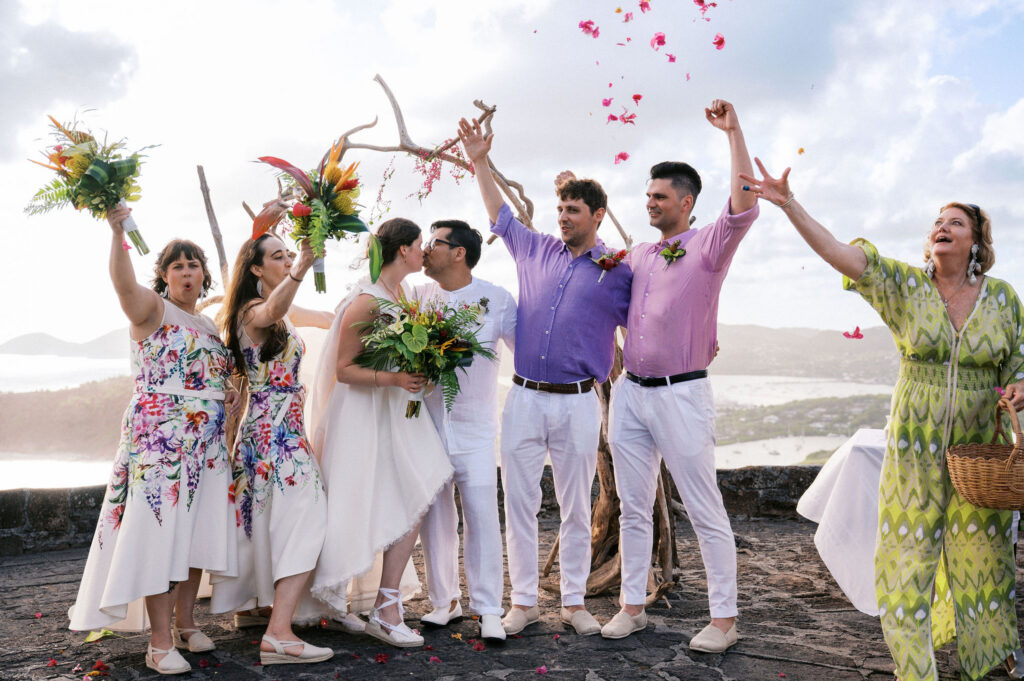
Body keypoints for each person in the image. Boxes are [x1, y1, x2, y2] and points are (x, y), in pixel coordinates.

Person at [739, 158, 1024, 681]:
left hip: (979, 449)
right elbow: (840, 255)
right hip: (913, 450)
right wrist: (788, 204)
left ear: (978, 241)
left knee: (983, 564)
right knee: (905, 565)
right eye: (938, 221)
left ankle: (988, 662)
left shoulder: (1003, 298)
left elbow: (1019, 361)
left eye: (956, 222)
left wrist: (1020, 386)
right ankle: (917, 674)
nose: (942, 227)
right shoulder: (906, 286)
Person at [458, 117, 631, 636]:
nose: (562, 217)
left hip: (579, 400)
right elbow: (497, 212)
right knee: (521, 503)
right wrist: (479, 160)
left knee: (578, 507)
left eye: (573, 211)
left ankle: (574, 603)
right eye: (560, 209)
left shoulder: (618, 268)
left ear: (597, 216)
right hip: (525, 398)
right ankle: (525, 601)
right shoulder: (534, 248)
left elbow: (645, 321)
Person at [598, 100, 759, 651]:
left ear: (686, 202)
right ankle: (632, 606)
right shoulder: (640, 253)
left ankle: (724, 621)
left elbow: (743, 203)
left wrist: (733, 131)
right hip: (631, 395)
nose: (649, 202)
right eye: (647, 196)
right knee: (633, 504)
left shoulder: (709, 246)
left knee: (703, 505)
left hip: (682, 394)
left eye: (659, 196)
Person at [69, 203, 241, 675]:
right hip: (160, 441)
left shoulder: (209, 325)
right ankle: (159, 641)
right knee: (159, 534)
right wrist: (116, 232)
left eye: (193, 265)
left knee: (197, 532)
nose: (187, 273)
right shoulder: (153, 309)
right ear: (163, 276)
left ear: (204, 275)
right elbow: (123, 286)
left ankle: (187, 623)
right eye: (177, 266)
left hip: (206, 443)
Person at [308, 218, 454, 647]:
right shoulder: (366, 300)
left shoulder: (402, 293)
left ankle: (385, 605)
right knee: (382, 494)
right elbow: (343, 369)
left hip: (395, 411)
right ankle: (382, 609)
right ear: (404, 250)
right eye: (420, 245)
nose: (424, 251)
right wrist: (394, 380)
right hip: (365, 412)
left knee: (417, 489)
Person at [209, 234, 333, 665]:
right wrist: (302, 265)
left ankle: (254, 608)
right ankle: (279, 633)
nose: (286, 260)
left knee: (266, 520)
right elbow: (273, 310)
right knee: (309, 517)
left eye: (288, 253)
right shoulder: (249, 311)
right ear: (257, 269)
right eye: (277, 256)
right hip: (272, 434)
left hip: (280, 430)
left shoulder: (285, 309)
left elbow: (326, 317)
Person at [415, 219, 517, 641]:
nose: (425, 250)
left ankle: (489, 606)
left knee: (480, 515)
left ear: (459, 252)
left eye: (434, 242)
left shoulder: (496, 299)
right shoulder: (418, 296)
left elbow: (526, 356)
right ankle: (445, 601)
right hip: (427, 425)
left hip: (476, 428)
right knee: (435, 517)